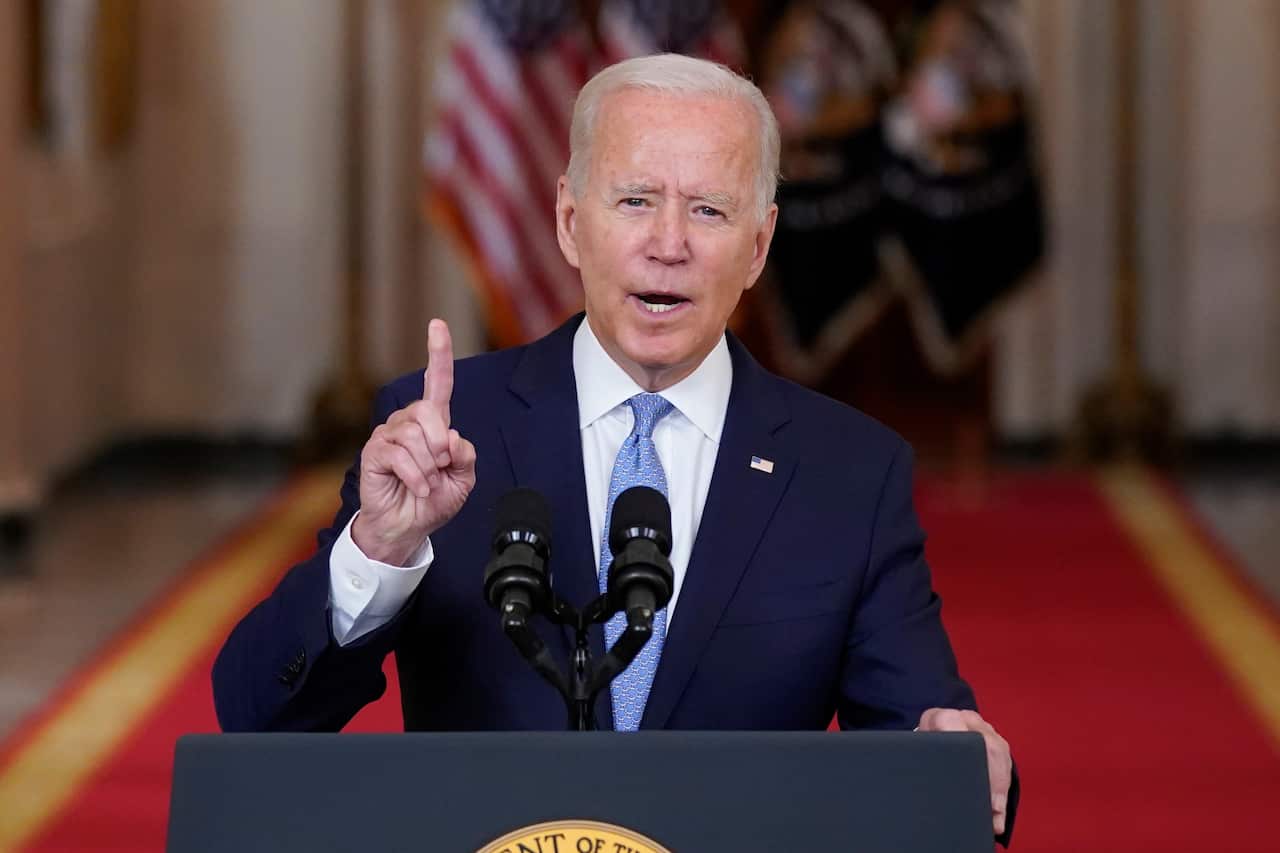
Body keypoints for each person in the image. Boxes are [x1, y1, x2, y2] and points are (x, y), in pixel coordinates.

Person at [213, 54, 1017, 843]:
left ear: (760, 244)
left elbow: (926, 744)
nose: (668, 242)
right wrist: (380, 548)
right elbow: (257, 718)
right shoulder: (445, 431)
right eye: (635, 200)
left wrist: (956, 754)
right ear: (570, 221)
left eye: (708, 210)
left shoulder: (849, 472)